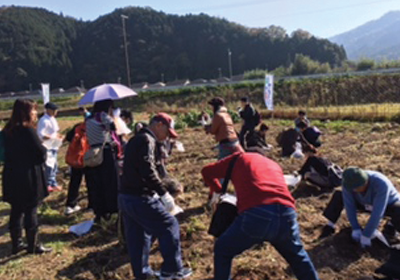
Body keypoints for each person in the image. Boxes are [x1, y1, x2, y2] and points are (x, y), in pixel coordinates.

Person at [201, 151, 320, 280]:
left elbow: (206, 171)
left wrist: (218, 190)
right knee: (298, 258)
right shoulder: (273, 164)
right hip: (287, 213)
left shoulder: (238, 158)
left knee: (223, 249)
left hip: (257, 214)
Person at [119, 113, 192, 280]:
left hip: (126, 197)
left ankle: (142, 274)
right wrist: (164, 193)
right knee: (169, 225)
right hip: (141, 197)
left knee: (138, 237)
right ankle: (172, 271)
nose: (167, 136)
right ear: (159, 125)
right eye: (167, 131)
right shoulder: (147, 140)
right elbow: (148, 170)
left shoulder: (135, 139)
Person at [2, 99, 52, 254]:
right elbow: (41, 153)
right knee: (31, 209)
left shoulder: (7, 130)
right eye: (33, 110)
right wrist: (44, 150)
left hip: (11, 174)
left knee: (16, 209)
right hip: (28, 175)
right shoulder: (28, 130)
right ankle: (33, 245)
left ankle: (16, 244)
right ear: (26, 112)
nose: (35, 113)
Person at [319, 167, 400, 243]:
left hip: (387, 205)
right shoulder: (348, 183)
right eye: (353, 189)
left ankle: (391, 226)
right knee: (339, 195)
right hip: (364, 204)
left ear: (365, 182)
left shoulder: (381, 183)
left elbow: (378, 211)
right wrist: (355, 228)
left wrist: (367, 234)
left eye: (357, 188)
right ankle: (330, 225)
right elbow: (349, 205)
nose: (355, 191)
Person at [85, 99, 121, 223]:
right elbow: (114, 128)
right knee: (110, 182)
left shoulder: (88, 118)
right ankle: (112, 209)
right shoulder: (103, 116)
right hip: (105, 152)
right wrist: (113, 117)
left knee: (97, 184)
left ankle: (99, 211)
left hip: (93, 153)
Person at [64, 107, 94, 215]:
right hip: (90, 159)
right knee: (91, 182)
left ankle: (70, 204)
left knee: (75, 181)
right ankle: (92, 205)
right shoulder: (95, 129)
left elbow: (68, 138)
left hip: (77, 158)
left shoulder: (78, 127)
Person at [37, 102, 63, 192]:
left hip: (54, 144)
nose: (56, 112)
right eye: (54, 110)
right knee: (49, 166)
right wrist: (53, 137)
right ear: (48, 110)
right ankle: (47, 184)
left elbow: (55, 131)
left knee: (55, 165)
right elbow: (41, 134)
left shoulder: (53, 119)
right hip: (47, 145)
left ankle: (53, 183)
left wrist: (59, 136)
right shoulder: (44, 120)